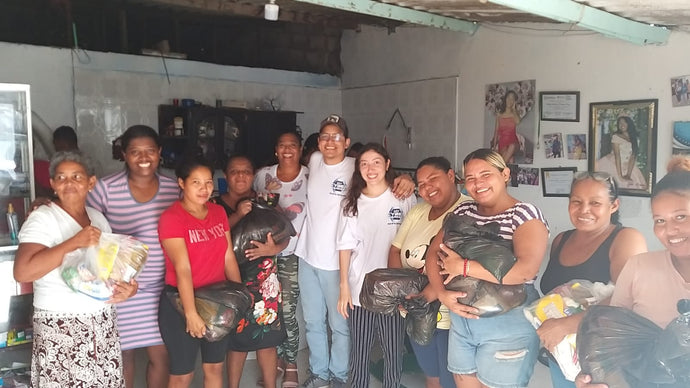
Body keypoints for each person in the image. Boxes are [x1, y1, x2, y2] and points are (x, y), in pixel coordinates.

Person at [295, 114, 415, 388]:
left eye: (336, 136)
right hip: (309, 257)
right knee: (314, 322)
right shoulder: (314, 161)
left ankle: (339, 375)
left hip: (341, 266)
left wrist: (407, 179)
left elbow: (383, 176)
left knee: (342, 327)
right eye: (324, 136)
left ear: (347, 142)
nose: (330, 142)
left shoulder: (357, 168)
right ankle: (319, 374)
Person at [425, 148, 549, 388]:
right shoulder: (463, 211)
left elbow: (525, 271)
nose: (477, 183)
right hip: (463, 322)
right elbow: (433, 253)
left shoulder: (524, 214)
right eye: (470, 178)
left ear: (505, 174)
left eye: (485, 174)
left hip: (508, 322)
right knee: (463, 380)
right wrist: (441, 294)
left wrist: (463, 267)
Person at [14, 150, 138, 386]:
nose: (68, 183)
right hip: (62, 326)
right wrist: (74, 242)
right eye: (61, 177)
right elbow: (23, 271)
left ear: (91, 183)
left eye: (77, 177)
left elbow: (108, 269)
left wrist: (129, 288)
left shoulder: (97, 218)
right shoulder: (43, 218)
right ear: (52, 184)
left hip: (101, 324)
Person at [575, 156, 690, 388]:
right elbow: (612, 345)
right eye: (659, 220)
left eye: (681, 216)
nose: (670, 230)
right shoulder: (639, 268)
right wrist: (596, 378)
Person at [87, 125, 179, 388]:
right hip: (120, 288)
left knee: (161, 354)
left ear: (160, 152)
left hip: (161, 288)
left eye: (150, 150)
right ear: (124, 155)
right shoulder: (106, 188)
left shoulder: (174, 189)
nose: (143, 157)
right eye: (135, 152)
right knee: (122, 354)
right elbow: (89, 231)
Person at [538, 171, 647, 388]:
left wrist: (565, 325)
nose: (584, 210)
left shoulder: (626, 238)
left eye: (595, 202)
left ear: (614, 205)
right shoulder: (562, 239)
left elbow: (629, 299)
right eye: (576, 201)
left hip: (603, 365)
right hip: (561, 356)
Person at [337, 143, 416, 388]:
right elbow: (345, 246)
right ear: (357, 168)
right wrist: (344, 288)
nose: (370, 169)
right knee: (359, 350)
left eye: (376, 162)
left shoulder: (403, 197)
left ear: (387, 164)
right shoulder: (352, 202)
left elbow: (415, 237)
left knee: (393, 350)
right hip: (360, 287)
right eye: (364, 163)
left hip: (395, 291)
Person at [158, 156, 241, 388]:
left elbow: (228, 257)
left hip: (217, 301)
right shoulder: (172, 218)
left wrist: (239, 300)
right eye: (196, 183)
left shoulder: (218, 213)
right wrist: (191, 313)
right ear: (182, 183)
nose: (204, 189)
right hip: (180, 303)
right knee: (182, 373)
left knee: (214, 367)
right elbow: (182, 268)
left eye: (208, 182)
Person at [388, 156, 470, 388]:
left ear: (451, 176)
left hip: (447, 313)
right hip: (415, 308)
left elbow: (452, 269)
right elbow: (395, 250)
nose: (427, 188)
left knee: (451, 376)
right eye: (421, 183)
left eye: (433, 179)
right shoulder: (418, 211)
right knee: (430, 372)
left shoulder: (466, 211)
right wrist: (403, 293)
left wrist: (421, 299)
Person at [212, 155, 288, 388]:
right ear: (226, 176)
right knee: (237, 341)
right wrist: (238, 215)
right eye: (235, 171)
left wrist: (273, 248)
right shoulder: (214, 206)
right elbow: (212, 238)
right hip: (231, 282)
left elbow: (285, 232)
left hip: (265, 280)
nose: (241, 175)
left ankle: (270, 385)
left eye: (246, 171)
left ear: (253, 175)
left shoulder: (265, 200)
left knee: (268, 338)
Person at [253, 132, 308, 388]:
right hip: (263, 254)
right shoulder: (263, 176)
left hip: (293, 254)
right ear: (276, 149)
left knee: (287, 311)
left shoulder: (311, 176)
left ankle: (291, 365)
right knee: (268, 311)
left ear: (300, 149)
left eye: (292, 145)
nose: (287, 150)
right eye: (282, 145)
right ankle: (273, 360)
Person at [595, 116, 646, 190]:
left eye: (624, 122)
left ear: (629, 124)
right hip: (614, 163)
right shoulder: (616, 136)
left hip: (629, 166)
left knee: (634, 184)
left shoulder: (635, 138)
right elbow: (617, 156)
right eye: (620, 123)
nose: (622, 125)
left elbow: (633, 157)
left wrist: (628, 174)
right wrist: (620, 176)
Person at [34, 125, 79, 197]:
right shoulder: (58, 164)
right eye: (57, 149)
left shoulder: (83, 165)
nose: (60, 153)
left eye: (62, 148)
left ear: (73, 144)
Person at [490, 90, 521, 163]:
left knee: (512, 146)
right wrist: (494, 147)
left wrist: (513, 110)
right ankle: (503, 171)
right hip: (503, 143)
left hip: (514, 142)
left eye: (512, 99)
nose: (510, 100)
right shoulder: (499, 115)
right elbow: (496, 131)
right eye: (508, 98)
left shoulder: (514, 113)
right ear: (505, 99)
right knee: (510, 160)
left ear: (514, 101)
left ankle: (499, 168)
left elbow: (518, 122)